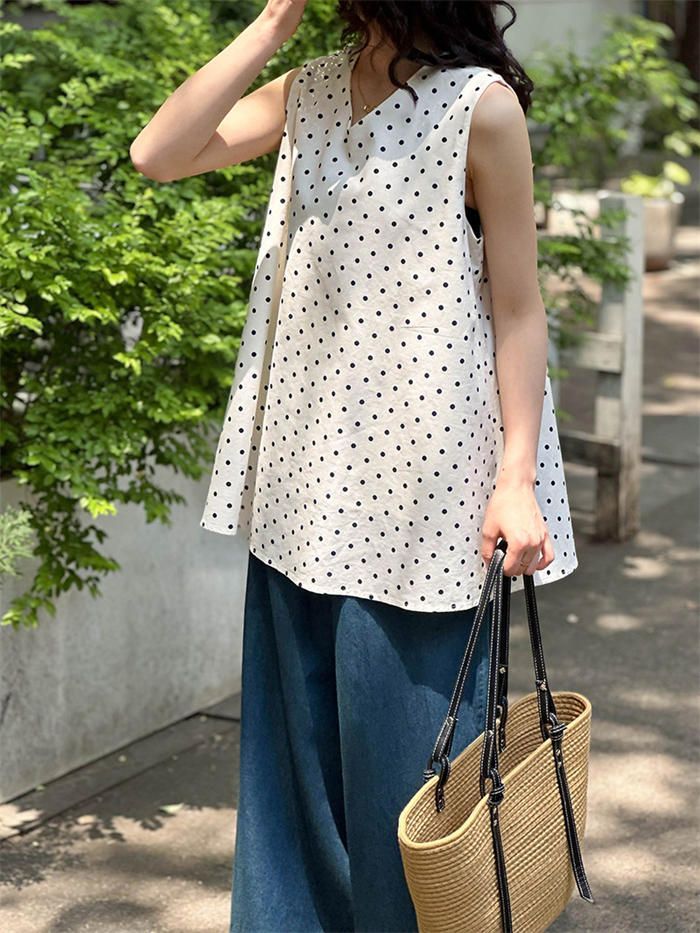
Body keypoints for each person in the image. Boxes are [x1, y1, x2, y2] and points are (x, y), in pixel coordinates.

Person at [130, 1, 579, 930]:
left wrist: (516, 479)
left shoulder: (480, 107)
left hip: (425, 500)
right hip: (302, 485)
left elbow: (518, 307)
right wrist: (271, 22)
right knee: (294, 792)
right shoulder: (310, 89)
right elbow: (158, 154)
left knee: (413, 794)